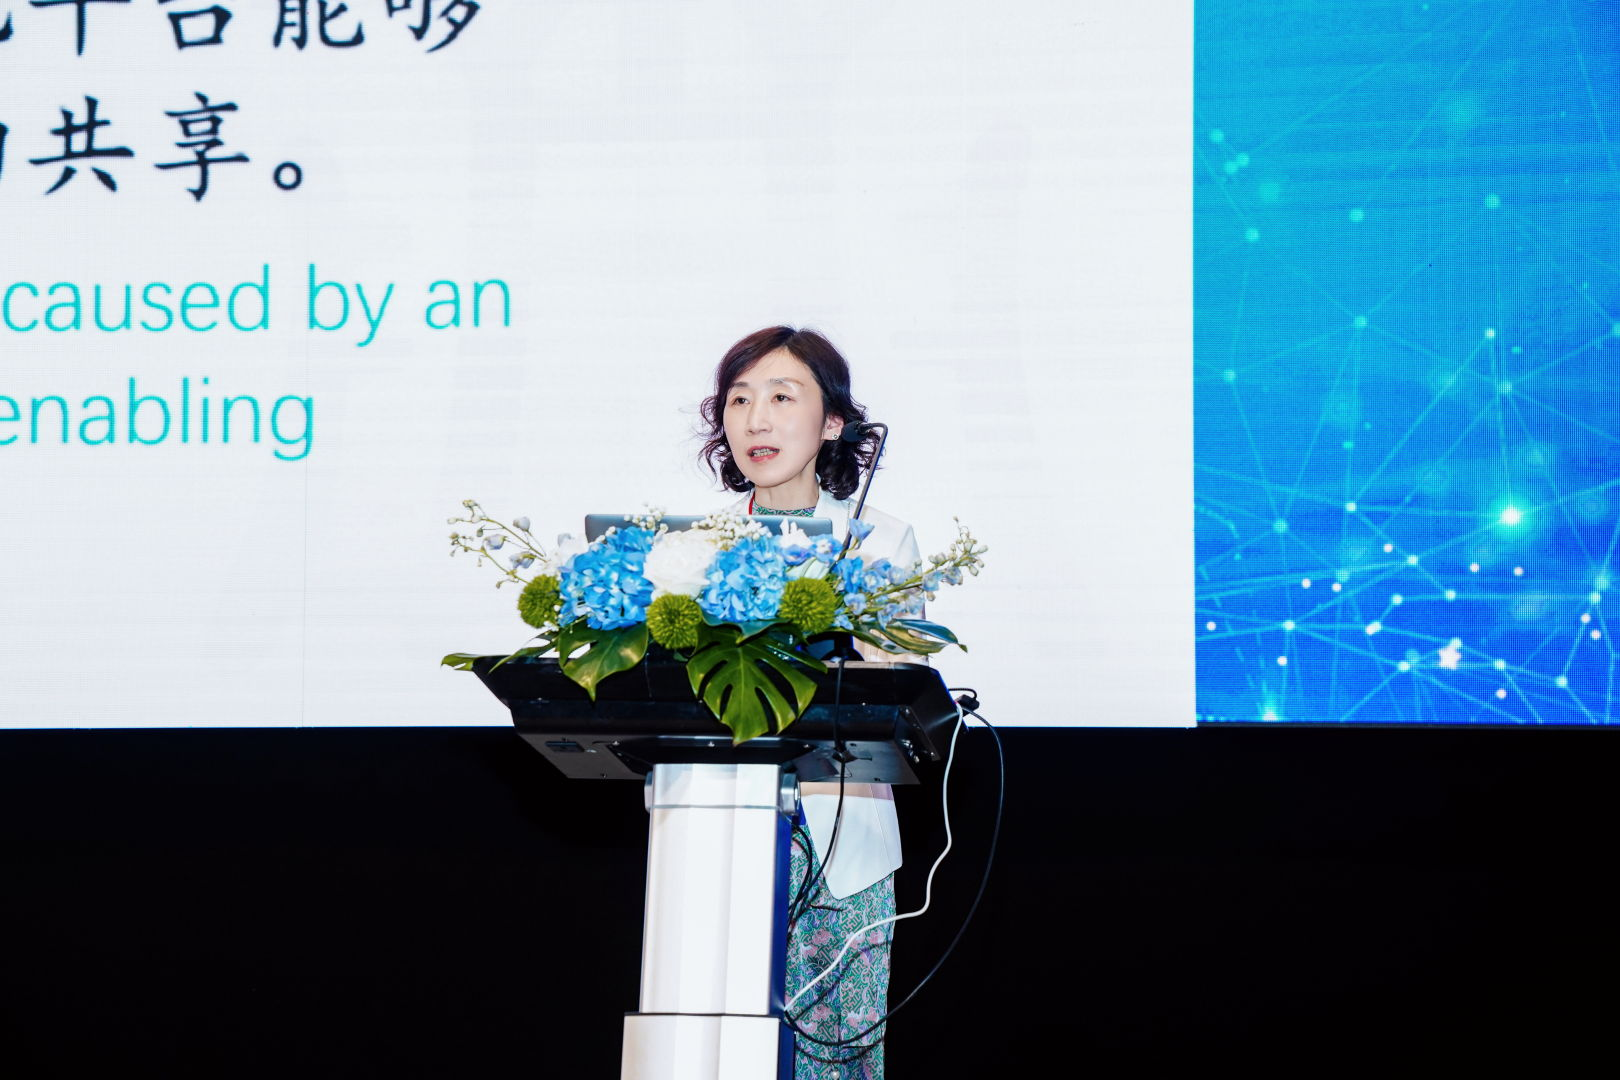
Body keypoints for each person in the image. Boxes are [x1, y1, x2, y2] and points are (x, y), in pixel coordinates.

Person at [698, 325, 919, 1079]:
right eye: (739, 400)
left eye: (782, 397)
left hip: (842, 845)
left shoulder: (877, 543)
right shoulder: (691, 550)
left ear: (831, 423)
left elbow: (900, 684)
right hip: (714, 838)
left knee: (834, 1064)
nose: (756, 420)